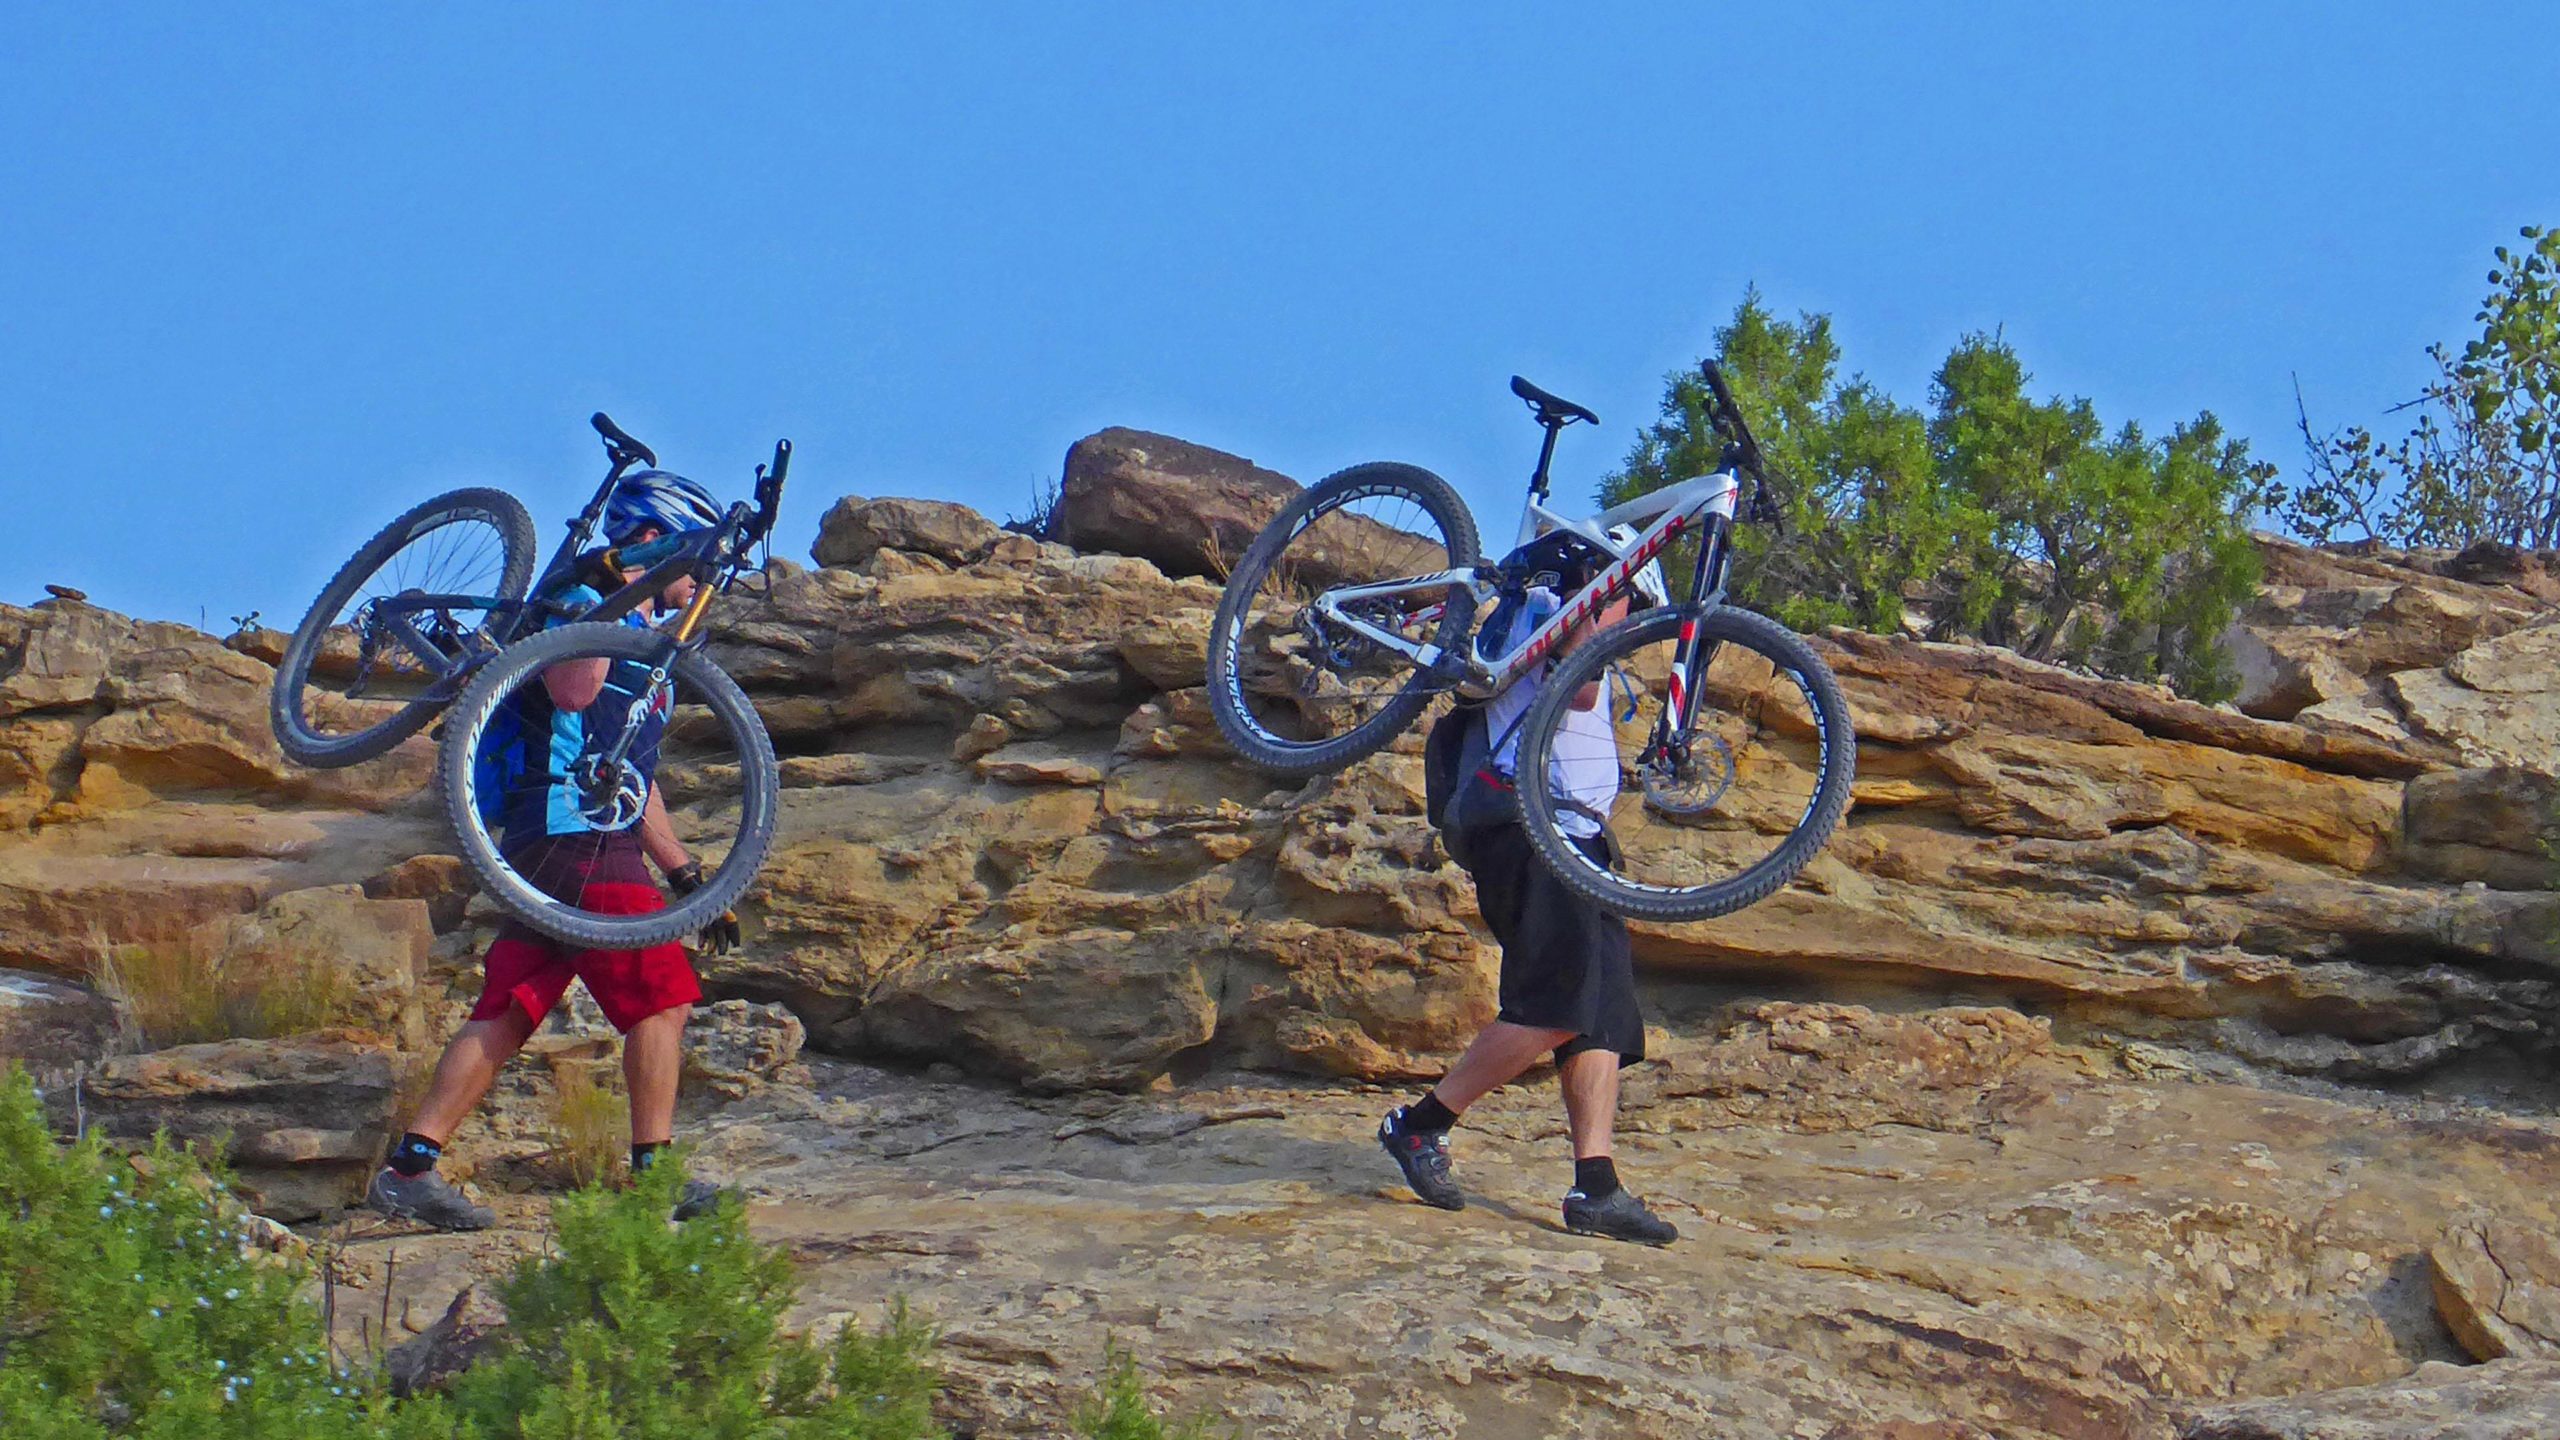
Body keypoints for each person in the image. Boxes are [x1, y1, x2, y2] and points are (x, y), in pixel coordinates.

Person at [366, 470, 744, 1230]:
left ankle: (410, 1168)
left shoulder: (652, 653)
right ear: (653, 540)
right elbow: (573, 694)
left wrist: (686, 874)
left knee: (506, 1011)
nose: (700, 583)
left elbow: (635, 778)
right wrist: (610, 608)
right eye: (695, 564)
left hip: (561, 842)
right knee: (662, 1003)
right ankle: (654, 1182)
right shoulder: (584, 600)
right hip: (575, 835)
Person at [1381, 539, 1679, 1246]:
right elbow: (1576, 683)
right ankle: (1421, 1126)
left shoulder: (1573, 625)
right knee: (1554, 1004)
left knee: (1601, 1016)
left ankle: (1595, 1186)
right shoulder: (1541, 610)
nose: (1628, 620)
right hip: (1529, 824)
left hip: (1578, 839)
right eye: (1627, 601)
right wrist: (1608, 599)